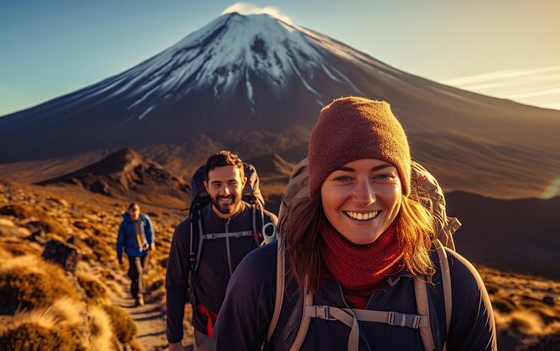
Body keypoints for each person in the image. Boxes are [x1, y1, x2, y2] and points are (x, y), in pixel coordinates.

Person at [216, 97, 497, 350]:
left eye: (382, 176)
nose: (365, 198)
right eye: (342, 177)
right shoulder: (264, 276)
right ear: (318, 189)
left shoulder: (454, 283)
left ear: (404, 186)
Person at [165, 151, 278, 351]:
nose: (225, 191)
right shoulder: (188, 231)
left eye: (232, 183)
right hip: (209, 333)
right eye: (217, 184)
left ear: (243, 182)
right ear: (207, 187)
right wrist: (174, 339)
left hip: (261, 332)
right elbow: (175, 285)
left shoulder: (266, 224)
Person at [116, 203, 155, 307]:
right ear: (128, 211)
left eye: (136, 210)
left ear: (139, 210)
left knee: (140, 272)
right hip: (132, 252)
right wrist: (119, 255)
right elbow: (120, 240)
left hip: (144, 251)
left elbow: (150, 231)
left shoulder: (144, 219)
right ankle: (138, 297)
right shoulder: (124, 224)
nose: (134, 212)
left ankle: (135, 285)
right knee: (138, 272)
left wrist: (151, 243)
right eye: (132, 210)